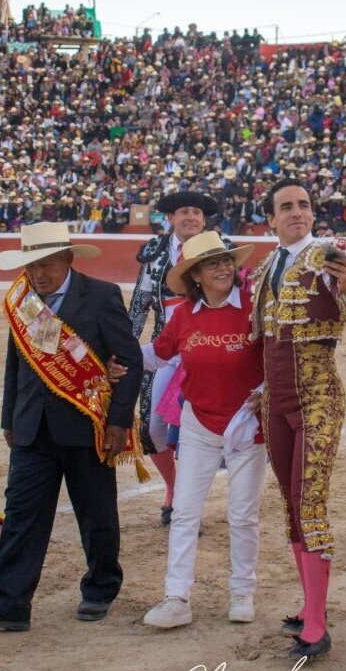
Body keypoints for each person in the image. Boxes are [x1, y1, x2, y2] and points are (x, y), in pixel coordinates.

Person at [0, 221, 143, 632]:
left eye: (46, 264)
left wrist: (118, 422)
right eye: (31, 266)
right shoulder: (22, 299)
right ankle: (9, 604)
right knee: (21, 514)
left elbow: (129, 361)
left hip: (87, 425)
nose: (38, 273)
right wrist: (9, 418)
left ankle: (101, 588)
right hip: (31, 427)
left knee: (96, 514)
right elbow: (15, 363)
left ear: (67, 259)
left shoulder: (101, 295)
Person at [250, 178, 346, 661]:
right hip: (275, 400)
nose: (297, 212)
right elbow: (260, 338)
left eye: (303, 205)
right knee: (290, 504)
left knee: (310, 503)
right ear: (271, 219)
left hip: (318, 397)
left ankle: (318, 627)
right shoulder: (267, 266)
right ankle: (309, 606)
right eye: (286, 207)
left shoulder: (330, 258)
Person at [136, 231, 267, 629]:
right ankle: (177, 598)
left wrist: (266, 390)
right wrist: (114, 355)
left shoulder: (256, 305)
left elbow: (280, 354)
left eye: (226, 260)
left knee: (243, 514)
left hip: (248, 423)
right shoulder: (182, 315)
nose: (223, 268)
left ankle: (242, 591)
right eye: (212, 264)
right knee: (185, 512)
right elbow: (157, 355)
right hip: (198, 424)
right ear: (195, 275)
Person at [127, 191, 227, 526]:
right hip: (166, 350)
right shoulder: (155, 253)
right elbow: (139, 304)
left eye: (197, 212)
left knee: (202, 432)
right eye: (184, 211)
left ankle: (187, 502)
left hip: (210, 348)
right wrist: (125, 348)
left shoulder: (220, 248)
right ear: (170, 218)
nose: (191, 218)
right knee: (153, 428)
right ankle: (173, 488)